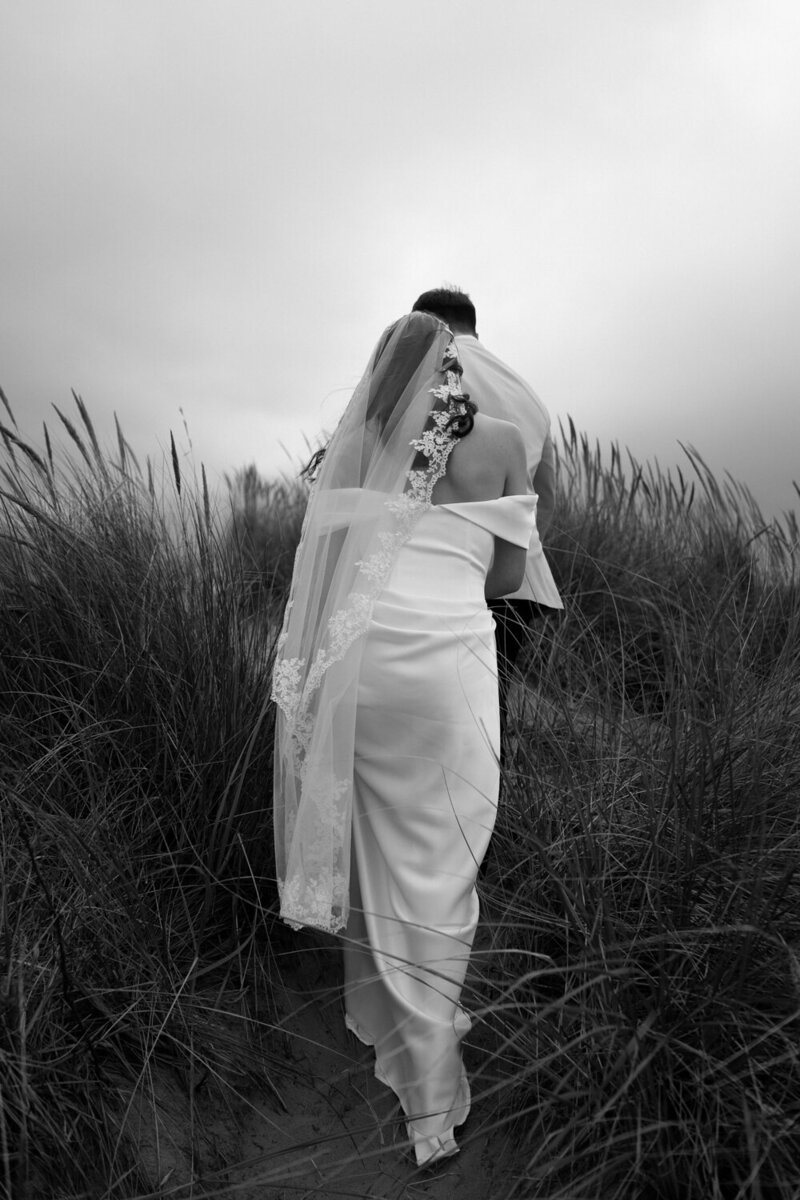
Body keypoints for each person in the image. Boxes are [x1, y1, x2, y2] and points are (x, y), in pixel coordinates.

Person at [271, 312, 535, 1166]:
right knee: (444, 859)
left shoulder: (356, 449)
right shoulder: (498, 439)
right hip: (449, 667)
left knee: (381, 848)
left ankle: (392, 1024)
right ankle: (432, 1104)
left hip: (368, 667)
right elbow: (506, 577)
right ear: (461, 358)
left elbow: (328, 569)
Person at [411, 288, 563, 714]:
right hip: (521, 582)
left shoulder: (431, 367)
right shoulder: (528, 392)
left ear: (428, 323)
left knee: (435, 719)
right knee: (487, 719)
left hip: (445, 576)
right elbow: (546, 497)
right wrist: (515, 551)